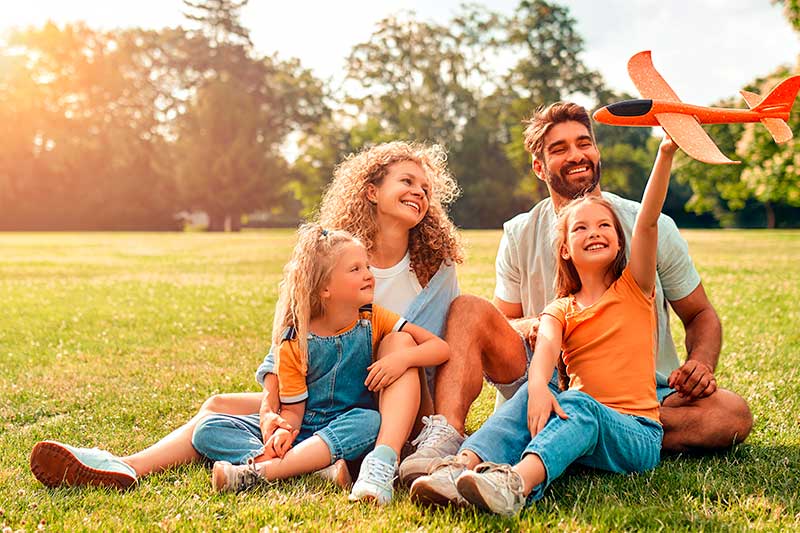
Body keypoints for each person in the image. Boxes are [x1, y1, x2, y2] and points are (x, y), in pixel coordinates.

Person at [29, 141, 463, 491]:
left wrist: (401, 364)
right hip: (313, 397)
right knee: (216, 407)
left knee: (396, 344)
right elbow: (287, 342)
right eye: (407, 181)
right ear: (371, 190)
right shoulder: (332, 257)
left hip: (382, 404)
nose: (419, 194)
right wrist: (273, 411)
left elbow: (435, 348)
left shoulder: (434, 268)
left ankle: (308, 465)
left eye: (426, 189)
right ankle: (128, 466)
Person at [399, 102, 753, 484]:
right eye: (559, 148)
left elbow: (700, 314)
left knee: (731, 415)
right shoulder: (520, 233)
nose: (576, 155)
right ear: (539, 167)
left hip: (643, 389)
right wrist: (538, 325)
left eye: (584, 143)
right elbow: (503, 324)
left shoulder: (645, 227)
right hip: (546, 374)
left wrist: (700, 364)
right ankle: (449, 442)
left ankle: (576, 431)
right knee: (468, 309)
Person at [409, 135, 675, 515]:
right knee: (537, 397)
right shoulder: (560, 309)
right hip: (580, 430)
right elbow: (545, 352)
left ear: (620, 242)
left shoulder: (635, 290)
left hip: (636, 435)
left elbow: (648, 221)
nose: (594, 232)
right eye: (580, 228)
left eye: (604, 226)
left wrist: (664, 153)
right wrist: (536, 389)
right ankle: (459, 468)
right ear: (565, 248)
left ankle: (514, 483)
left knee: (577, 402)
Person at [194, 224, 449, 504]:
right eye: (355, 270)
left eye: (367, 267)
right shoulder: (295, 339)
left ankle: (262, 471)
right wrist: (283, 431)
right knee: (208, 428)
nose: (368, 275)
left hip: (347, 425)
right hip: (305, 427)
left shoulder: (374, 318)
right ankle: (298, 467)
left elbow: (440, 348)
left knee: (371, 420)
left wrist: (403, 358)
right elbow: (293, 410)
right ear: (324, 289)